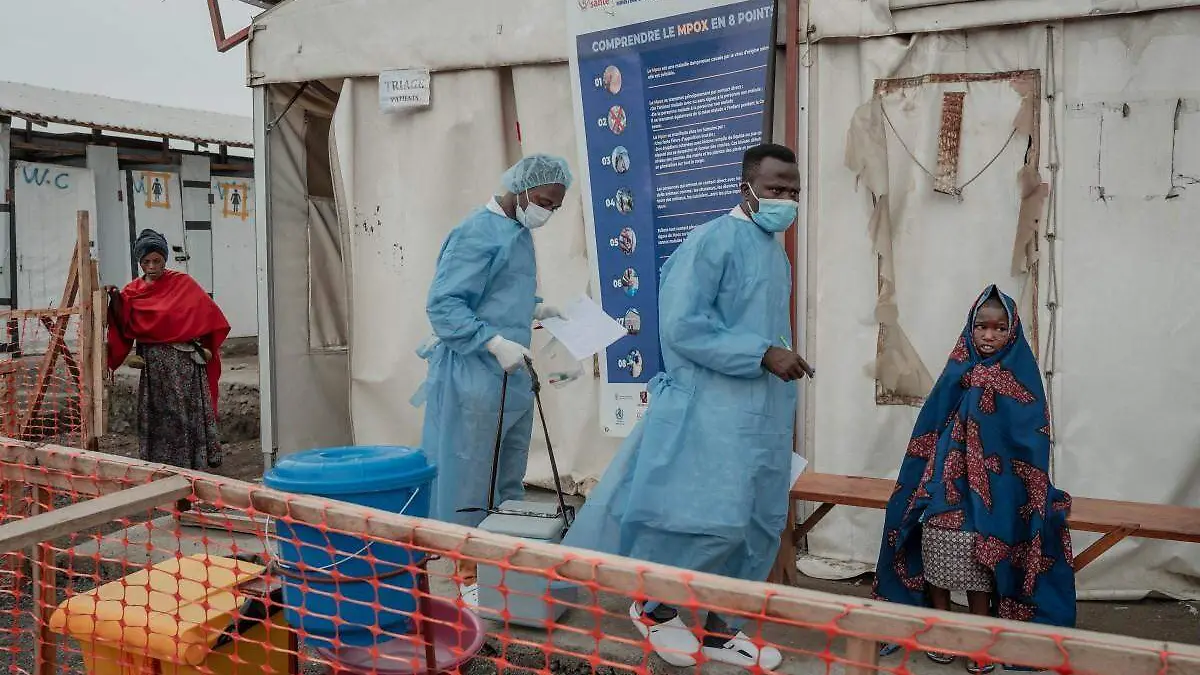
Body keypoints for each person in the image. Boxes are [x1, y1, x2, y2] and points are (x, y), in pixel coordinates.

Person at [561, 143, 812, 670]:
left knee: (755, 525)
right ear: (746, 188)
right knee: (703, 521)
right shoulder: (711, 242)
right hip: (712, 413)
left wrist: (779, 357)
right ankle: (655, 607)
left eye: (793, 191)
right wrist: (762, 354)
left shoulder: (774, 251)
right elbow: (682, 327)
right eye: (775, 189)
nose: (786, 200)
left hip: (762, 415)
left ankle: (721, 628)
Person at [873, 286, 1075, 674]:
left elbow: (1029, 440)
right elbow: (930, 428)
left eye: (999, 328)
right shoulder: (958, 369)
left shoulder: (1022, 374)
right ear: (970, 327)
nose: (988, 335)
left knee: (980, 545)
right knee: (934, 533)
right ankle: (941, 626)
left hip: (1003, 490)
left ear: (1012, 331)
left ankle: (980, 633)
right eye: (982, 326)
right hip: (946, 482)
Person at [418, 154, 573, 606]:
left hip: (509, 378)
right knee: (470, 475)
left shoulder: (517, 233)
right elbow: (445, 306)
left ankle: (502, 559)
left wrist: (536, 308)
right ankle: (468, 571)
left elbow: (499, 293)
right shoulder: (475, 233)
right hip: (473, 375)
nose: (548, 212)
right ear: (520, 188)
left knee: (507, 472)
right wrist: (490, 341)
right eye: (544, 201)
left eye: (556, 207)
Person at [105, 229, 230, 470]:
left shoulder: (183, 284)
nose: (152, 266)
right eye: (146, 262)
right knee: (161, 414)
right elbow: (123, 321)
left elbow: (208, 314)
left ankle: (193, 461)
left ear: (165, 260)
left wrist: (205, 346)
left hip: (185, 366)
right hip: (154, 368)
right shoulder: (131, 291)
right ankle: (162, 463)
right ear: (140, 262)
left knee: (186, 412)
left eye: (157, 261)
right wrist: (115, 298)